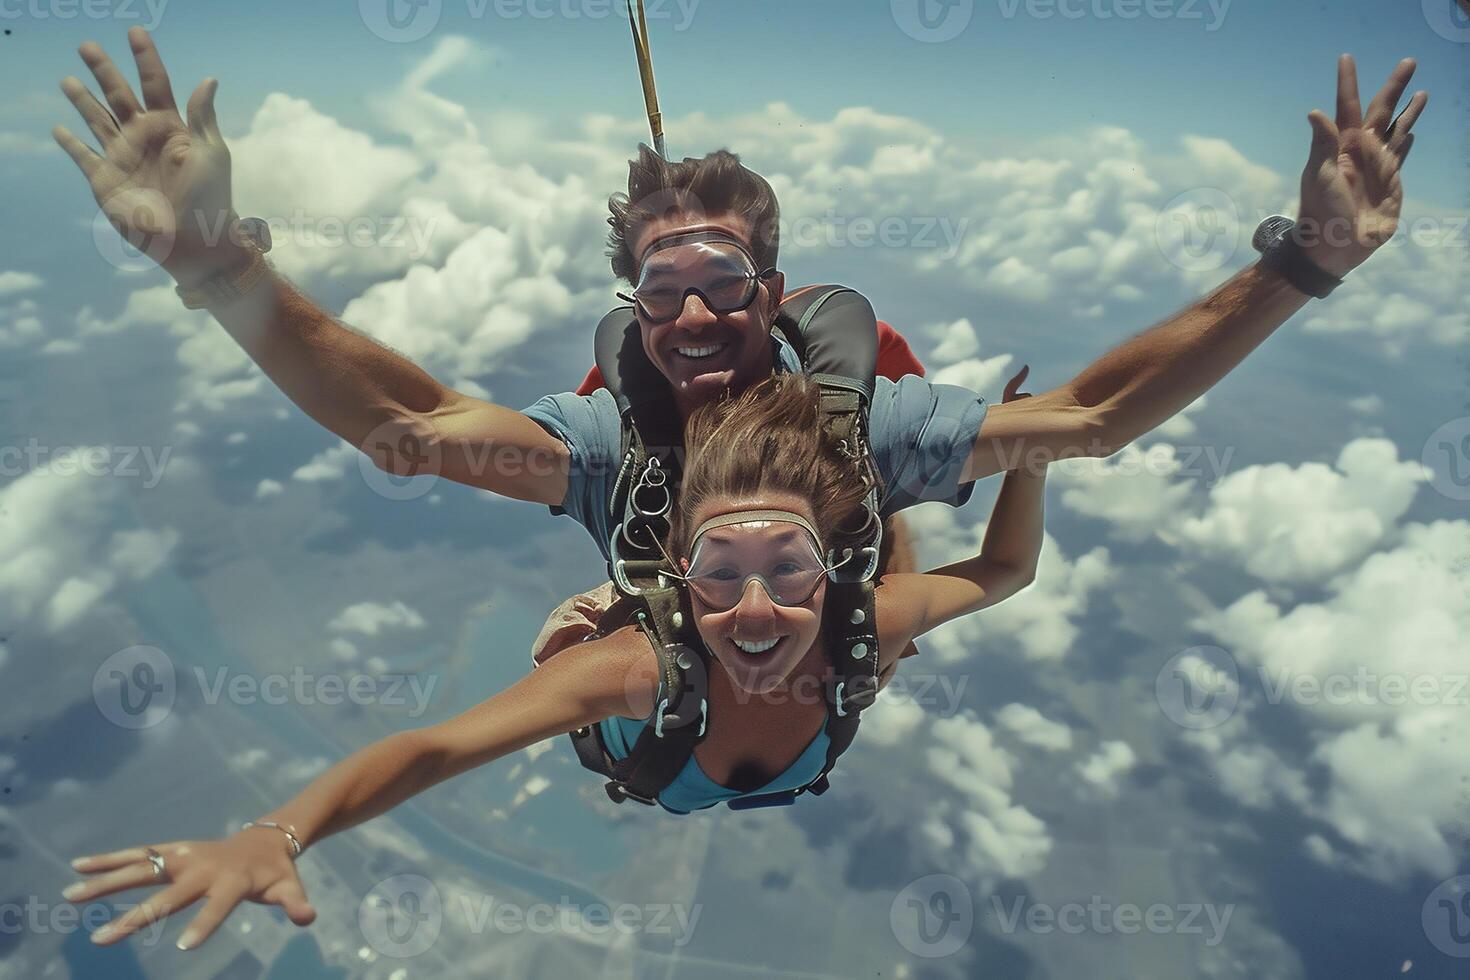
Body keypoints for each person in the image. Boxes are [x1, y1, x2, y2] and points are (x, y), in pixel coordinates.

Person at [52, 29, 1429, 573]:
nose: (696, 317)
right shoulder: (614, 451)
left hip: (854, 532)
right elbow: (407, 420)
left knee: (936, 490)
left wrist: (1299, 263)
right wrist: (218, 264)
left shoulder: (863, 428)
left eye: (725, 283)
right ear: (632, 310)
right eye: (663, 290)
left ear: (772, 295)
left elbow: (1092, 417)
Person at [61, 367, 1048, 950]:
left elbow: (1005, 565)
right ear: (678, 571)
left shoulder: (859, 623)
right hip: (668, 724)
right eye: (718, 571)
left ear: (831, 568)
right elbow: (432, 749)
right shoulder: (635, 670)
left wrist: (1030, 462)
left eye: (789, 571)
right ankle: (614, 594)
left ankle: (870, 497)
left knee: (883, 644)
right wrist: (278, 831)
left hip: (755, 720)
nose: (754, 607)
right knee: (863, 644)